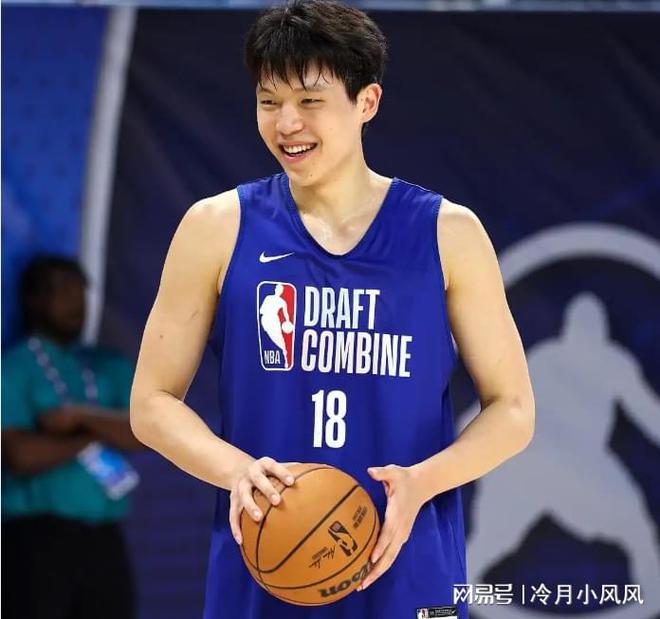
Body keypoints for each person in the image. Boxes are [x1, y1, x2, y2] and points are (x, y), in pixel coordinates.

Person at [129, 1, 535, 617]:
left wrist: (422, 481)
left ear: (366, 102)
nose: (286, 122)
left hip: (407, 566)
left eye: (309, 100)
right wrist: (237, 472)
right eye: (269, 101)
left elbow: (514, 409)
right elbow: (150, 403)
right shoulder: (216, 227)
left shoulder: (448, 232)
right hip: (266, 560)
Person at [1, 255, 143, 619]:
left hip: (104, 535)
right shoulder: (13, 368)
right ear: (33, 300)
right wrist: (93, 437)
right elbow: (19, 455)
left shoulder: (107, 364)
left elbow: (144, 432)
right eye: (62, 291)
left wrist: (80, 418)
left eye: (80, 290)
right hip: (35, 537)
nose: (74, 301)